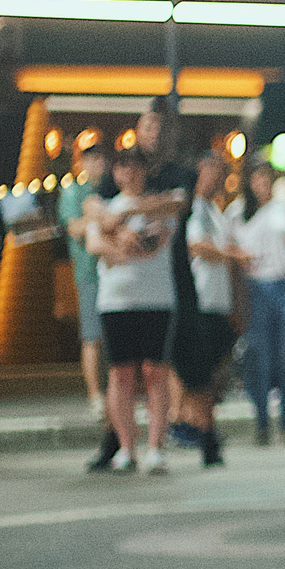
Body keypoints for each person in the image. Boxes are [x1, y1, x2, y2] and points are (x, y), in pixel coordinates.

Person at [88, 147, 182, 475]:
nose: (130, 174)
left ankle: (156, 447)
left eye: (136, 167)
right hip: (115, 301)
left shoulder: (160, 205)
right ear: (115, 173)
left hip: (156, 300)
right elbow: (96, 244)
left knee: (155, 372)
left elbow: (156, 240)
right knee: (120, 374)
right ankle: (127, 447)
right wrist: (119, 243)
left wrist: (125, 240)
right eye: (123, 168)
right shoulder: (104, 206)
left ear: (145, 171)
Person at [173, 152, 240, 466]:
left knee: (210, 369)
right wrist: (231, 255)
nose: (217, 177)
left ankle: (196, 424)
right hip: (197, 298)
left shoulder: (214, 209)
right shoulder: (192, 208)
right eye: (213, 170)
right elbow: (195, 245)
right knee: (195, 369)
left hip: (216, 301)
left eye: (222, 171)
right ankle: (188, 423)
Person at [233, 159, 285, 448]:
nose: (261, 183)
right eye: (256, 178)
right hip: (257, 288)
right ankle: (262, 423)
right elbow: (230, 248)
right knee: (259, 358)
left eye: (266, 178)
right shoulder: (238, 212)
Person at [58, 143, 112, 419]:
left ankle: (115, 392)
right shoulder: (73, 191)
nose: (96, 165)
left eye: (100, 159)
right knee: (91, 337)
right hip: (89, 273)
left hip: (115, 272)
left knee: (115, 336)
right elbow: (73, 228)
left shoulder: (111, 189)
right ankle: (95, 395)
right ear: (81, 163)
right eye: (90, 160)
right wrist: (100, 219)